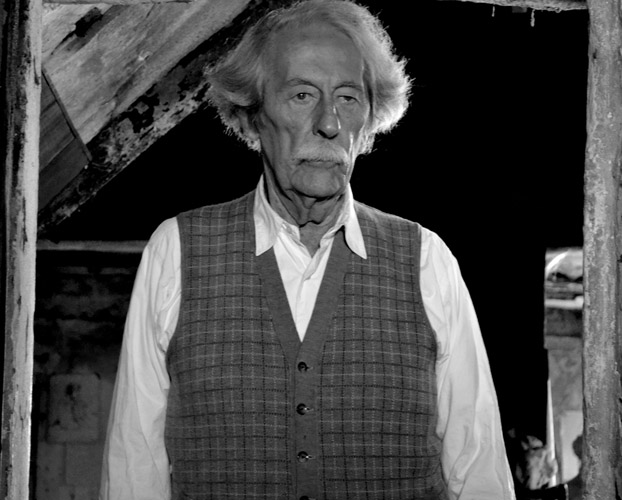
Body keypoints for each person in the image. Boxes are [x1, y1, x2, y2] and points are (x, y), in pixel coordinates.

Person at [100, 1, 516, 499]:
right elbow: (135, 464)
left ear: (370, 120)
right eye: (302, 95)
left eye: (348, 98)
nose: (329, 123)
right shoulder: (177, 252)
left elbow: (479, 469)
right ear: (252, 118)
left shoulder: (427, 259)